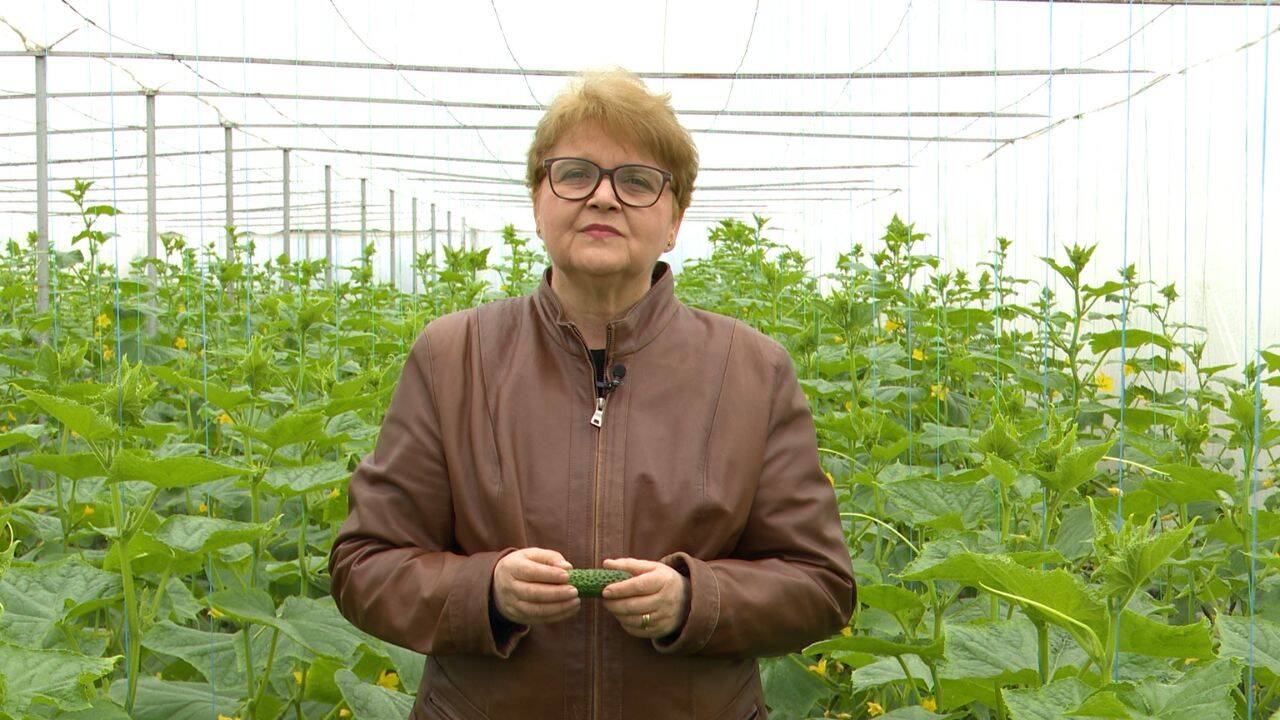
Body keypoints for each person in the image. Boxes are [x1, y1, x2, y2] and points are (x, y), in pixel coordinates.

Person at [328, 67, 855, 720]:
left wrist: (696, 599)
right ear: (538, 203)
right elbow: (365, 564)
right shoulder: (453, 356)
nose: (603, 197)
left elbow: (821, 584)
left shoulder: (752, 369)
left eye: (637, 181)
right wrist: (483, 590)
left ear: (674, 219)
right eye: (575, 174)